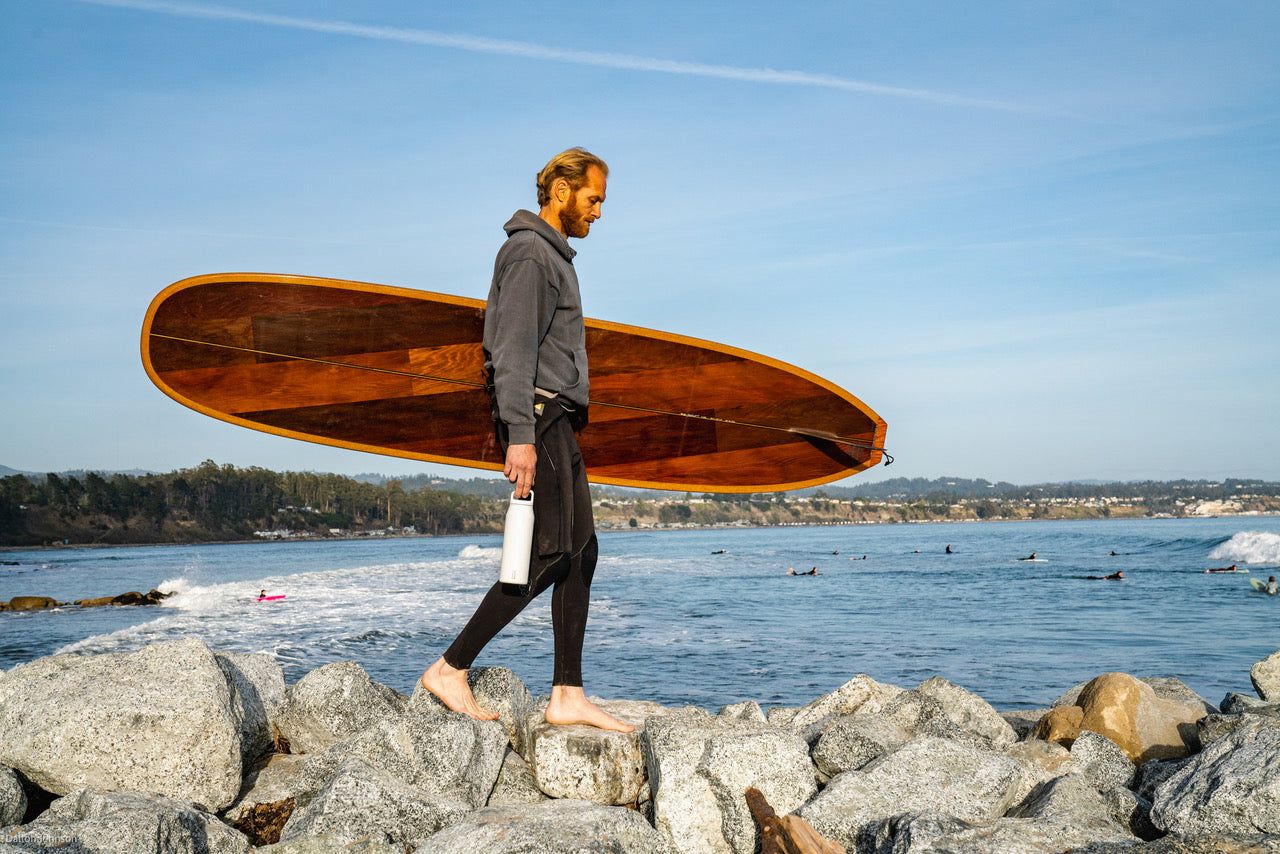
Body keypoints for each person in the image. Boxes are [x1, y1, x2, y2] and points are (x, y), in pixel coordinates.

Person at [419, 149, 631, 733]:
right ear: (561, 192)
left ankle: (567, 693)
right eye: (594, 199)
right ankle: (450, 667)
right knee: (555, 551)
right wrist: (520, 435)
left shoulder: (552, 256)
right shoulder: (531, 253)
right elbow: (510, 352)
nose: (598, 212)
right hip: (539, 417)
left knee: (582, 552)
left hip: (557, 417)